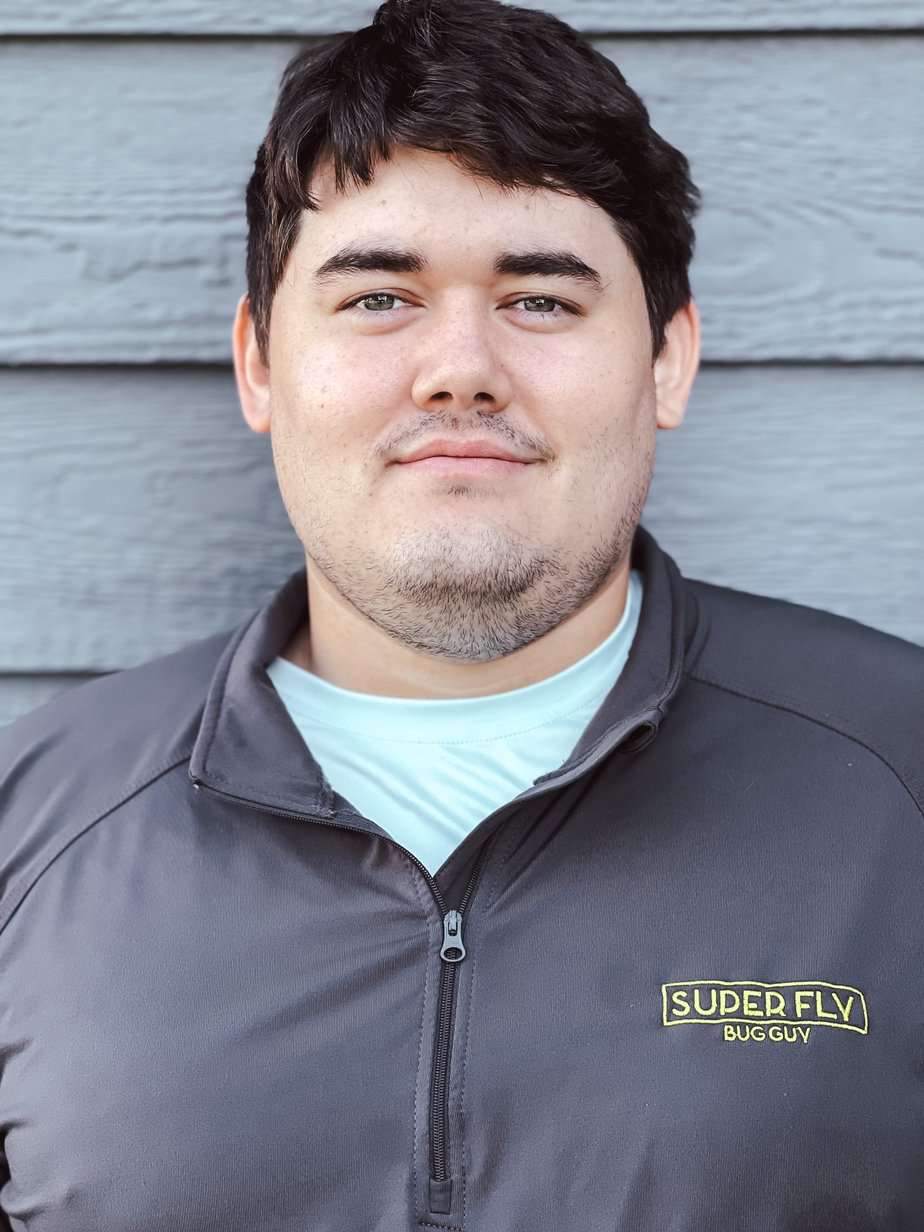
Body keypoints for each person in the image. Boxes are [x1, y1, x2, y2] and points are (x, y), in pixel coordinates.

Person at [1, 0, 922, 1227]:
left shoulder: (899, 778)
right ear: (260, 366)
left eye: (541, 299)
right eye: (378, 297)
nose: (460, 365)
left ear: (667, 362)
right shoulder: (34, 823)